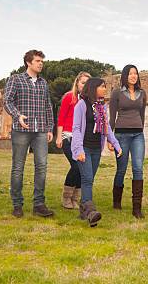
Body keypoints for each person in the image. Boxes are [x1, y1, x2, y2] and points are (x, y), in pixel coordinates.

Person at [4, 49, 55, 218]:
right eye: (38, 61)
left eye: (42, 61)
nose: (41, 63)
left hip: (40, 130)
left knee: (42, 167)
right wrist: (17, 115)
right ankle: (17, 205)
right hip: (21, 131)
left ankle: (39, 204)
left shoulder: (43, 83)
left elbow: (48, 106)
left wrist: (49, 128)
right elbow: (7, 101)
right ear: (28, 62)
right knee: (18, 167)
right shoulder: (16, 79)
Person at [71, 78, 122, 227]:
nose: (104, 89)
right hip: (83, 148)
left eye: (105, 86)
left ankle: (83, 209)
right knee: (87, 179)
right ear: (93, 88)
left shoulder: (101, 107)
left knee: (89, 179)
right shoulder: (81, 105)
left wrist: (116, 144)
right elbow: (76, 129)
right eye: (102, 86)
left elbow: (106, 128)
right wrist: (79, 150)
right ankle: (91, 213)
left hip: (95, 149)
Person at [109, 64, 148, 218]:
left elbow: (142, 114)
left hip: (138, 135)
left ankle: (136, 208)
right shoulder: (117, 93)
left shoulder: (142, 93)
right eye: (130, 73)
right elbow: (112, 117)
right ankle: (116, 201)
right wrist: (109, 139)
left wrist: (141, 129)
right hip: (121, 135)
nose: (133, 76)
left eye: (136, 73)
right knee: (121, 169)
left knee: (138, 168)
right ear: (125, 76)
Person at [56, 71, 91, 210]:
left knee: (82, 168)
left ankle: (75, 198)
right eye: (83, 83)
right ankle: (66, 197)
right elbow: (61, 118)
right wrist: (59, 137)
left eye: (87, 83)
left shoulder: (89, 101)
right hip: (67, 136)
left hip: (82, 139)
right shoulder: (69, 97)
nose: (85, 85)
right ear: (77, 83)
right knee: (76, 165)